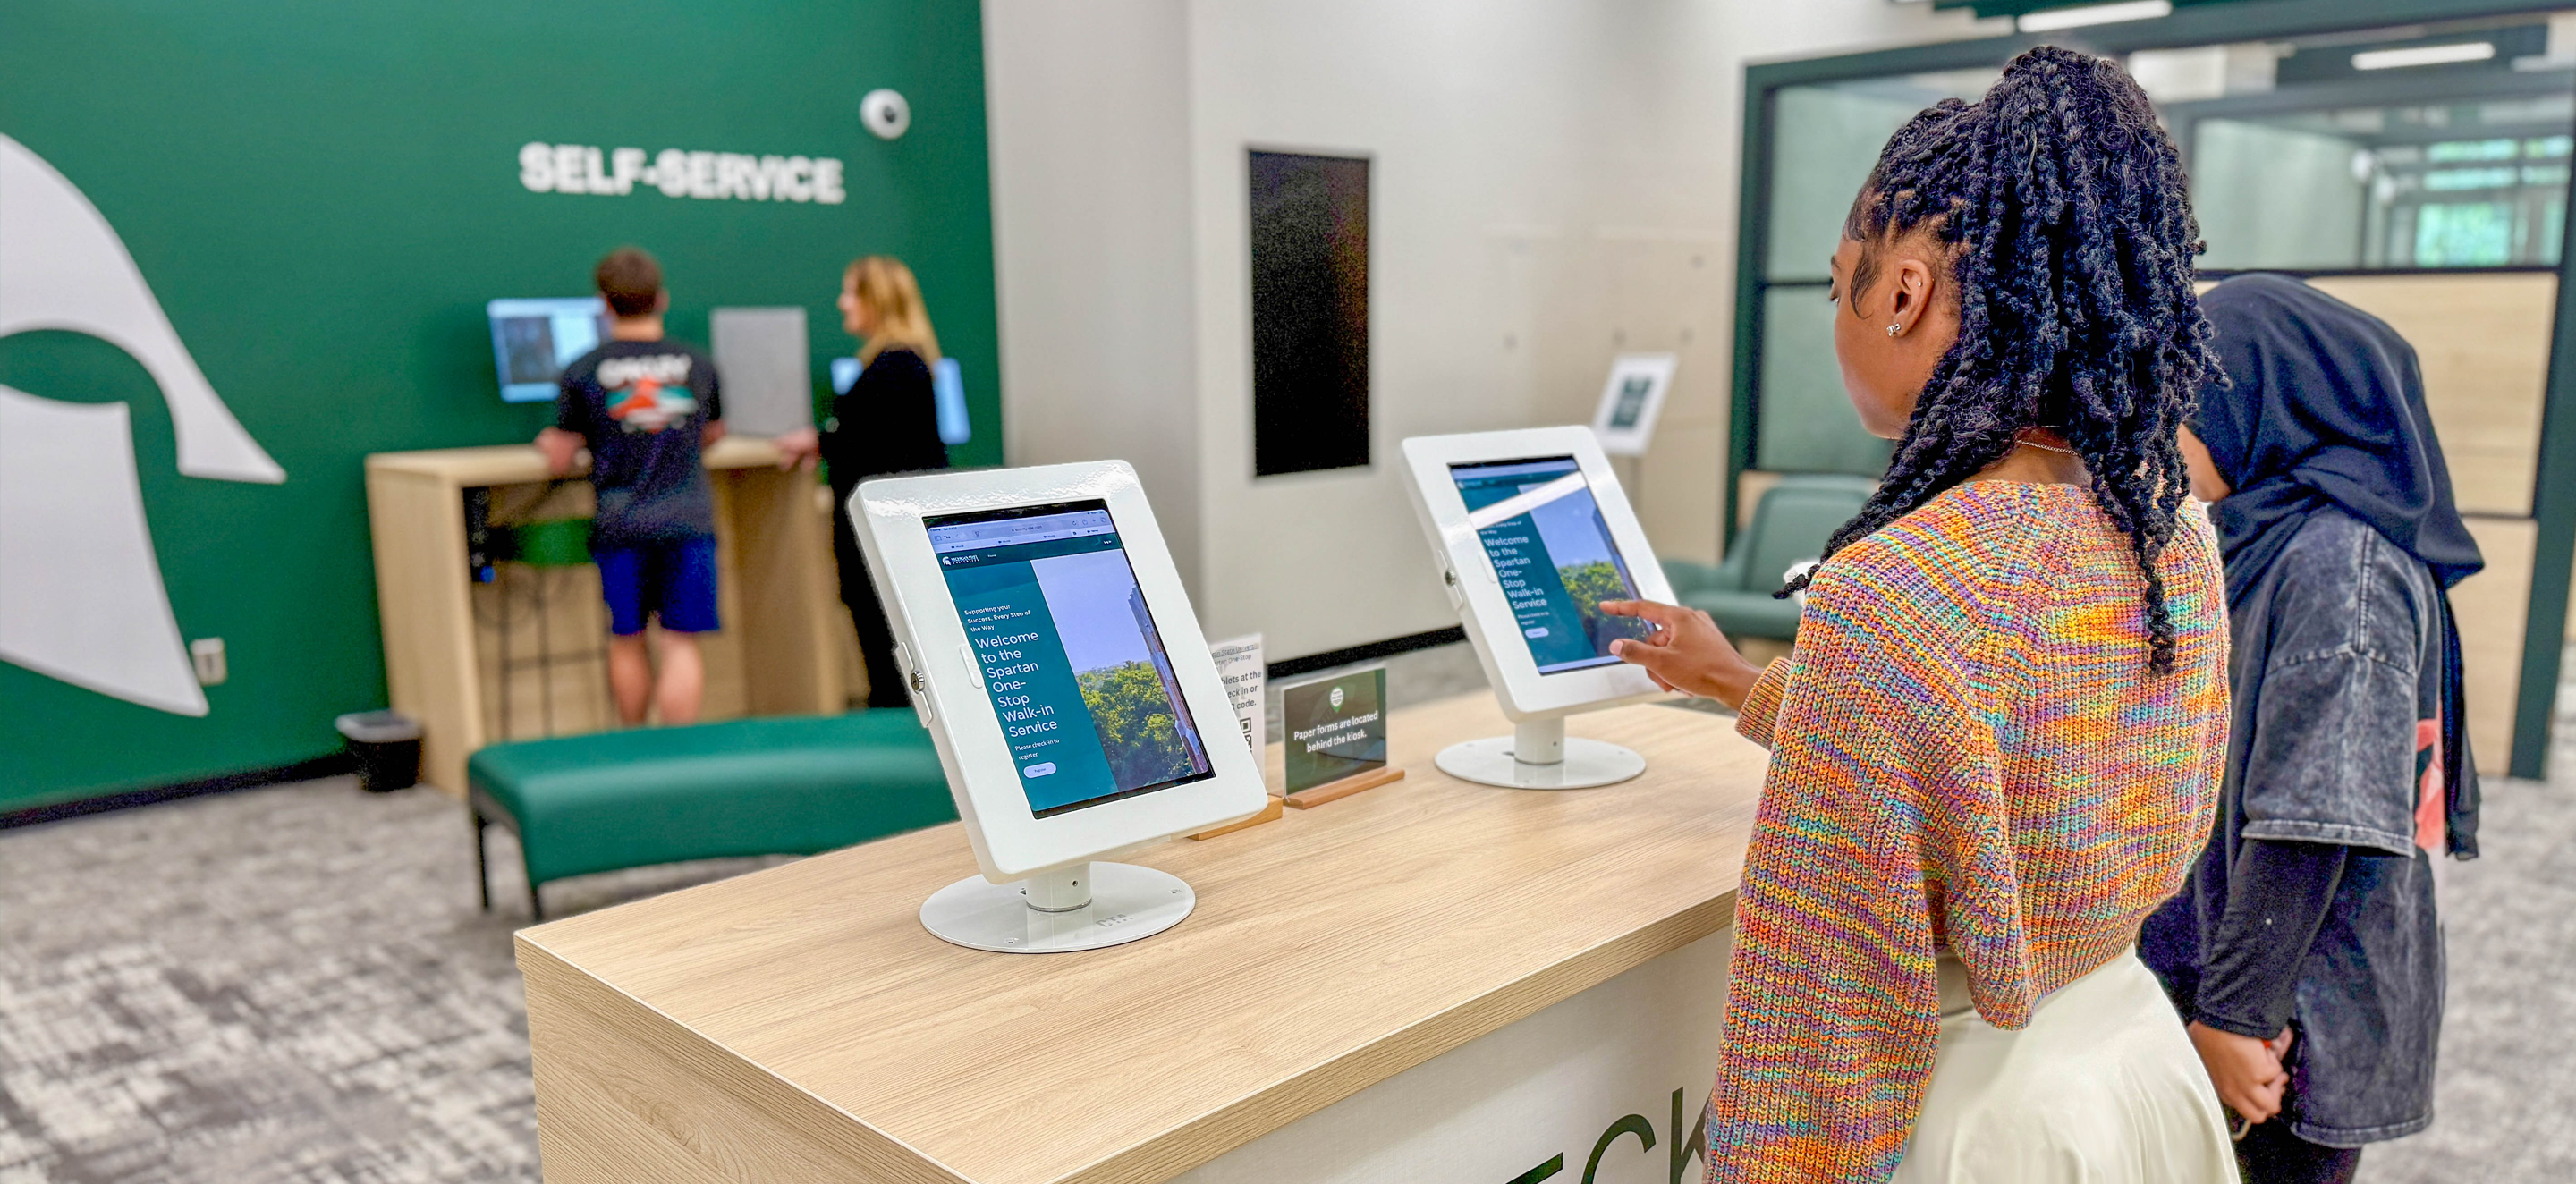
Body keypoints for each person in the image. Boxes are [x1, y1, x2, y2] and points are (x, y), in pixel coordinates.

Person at [1600, 47, 2238, 1182]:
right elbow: (1998, 769)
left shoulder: (1896, 593)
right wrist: (1735, 680)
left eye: (1836, 275)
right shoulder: (2171, 536)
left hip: (1988, 1121)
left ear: (1900, 291)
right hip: (2136, 1074)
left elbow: (1824, 1024)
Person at [2140, 273, 2482, 1183]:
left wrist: (2235, 1017)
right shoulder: (2274, 537)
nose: (2159, 429)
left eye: (2182, 400)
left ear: (2258, 400)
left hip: (2289, 1024)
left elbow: (2311, 819)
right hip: (2247, 977)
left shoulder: (2342, 566)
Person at [536, 246, 725, 727]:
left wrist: (551, 444)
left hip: (621, 524)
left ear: (604, 305)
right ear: (660, 300)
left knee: (628, 638)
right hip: (687, 520)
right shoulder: (698, 364)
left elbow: (563, 451)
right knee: (680, 641)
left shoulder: (582, 371)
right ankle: (679, 754)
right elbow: (712, 433)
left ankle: (635, 747)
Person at [776, 256, 948, 708]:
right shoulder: (904, 365)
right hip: (889, 540)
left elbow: (874, 447)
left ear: (877, 300)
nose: (842, 302)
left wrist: (827, 440)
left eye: (851, 292)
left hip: (881, 544)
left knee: (886, 655)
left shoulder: (893, 368)